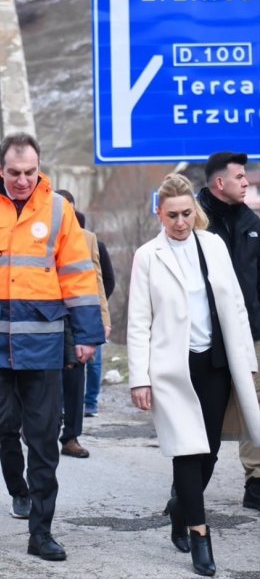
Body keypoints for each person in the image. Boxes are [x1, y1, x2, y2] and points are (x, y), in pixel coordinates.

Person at [0, 132, 104, 560]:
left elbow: (78, 275)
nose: (23, 179)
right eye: (14, 172)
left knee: (44, 439)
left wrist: (87, 335)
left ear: (39, 167)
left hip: (43, 344)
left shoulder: (58, 209)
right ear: (0, 169)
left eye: (31, 171)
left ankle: (40, 532)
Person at [128, 173, 260, 577]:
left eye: (187, 213)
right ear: (159, 213)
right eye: (172, 216)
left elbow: (235, 304)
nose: (181, 222)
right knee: (186, 449)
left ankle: (180, 506)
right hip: (172, 368)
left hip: (217, 363)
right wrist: (139, 377)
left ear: (195, 211)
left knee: (209, 452)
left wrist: (248, 364)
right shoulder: (148, 256)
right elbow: (138, 321)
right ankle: (200, 534)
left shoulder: (213, 245)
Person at [197, 152, 260, 512]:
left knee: (256, 405)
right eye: (240, 177)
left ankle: (256, 482)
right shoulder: (193, 224)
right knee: (206, 411)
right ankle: (189, 485)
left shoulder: (252, 223)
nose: (246, 181)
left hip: (251, 333)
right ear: (220, 182)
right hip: (206, 337)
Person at [55, 190, 111, 458]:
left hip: (76, 319)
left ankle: (71, 437)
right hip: (46, 318)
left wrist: (102, 319)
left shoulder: (87, 239)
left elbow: (98, 281)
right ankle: (41, 429)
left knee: (76, 380)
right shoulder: (38, 235)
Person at [85, 238, 115, 417]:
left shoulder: (95, 243)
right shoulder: (94, 242)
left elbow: (108, 279)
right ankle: (90, 403)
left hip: (93, 307)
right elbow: (109, 279)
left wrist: (100, 303)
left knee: (93, 361)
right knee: (93, 361)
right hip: (94, 306)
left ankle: (89, 402)